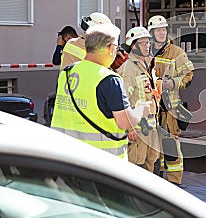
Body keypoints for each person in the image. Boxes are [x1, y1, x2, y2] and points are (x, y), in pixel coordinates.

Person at [51, 23, 151, 158]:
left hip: (66, 157)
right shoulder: (109, 80)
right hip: (101, 163)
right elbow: (124, 122)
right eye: (116, 47)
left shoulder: (67, 73)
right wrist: (141, 109)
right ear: (110, 48)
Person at [148, 15, 194, 185]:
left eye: (163, 29)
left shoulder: (177, 53)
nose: (162, 33)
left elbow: (189, 75)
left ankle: (175, 183)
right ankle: (156, 182)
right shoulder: (146, 51)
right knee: (153, 148)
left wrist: (173, 82)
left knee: (171, 149)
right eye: (158, 30)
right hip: (152, 109)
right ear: (152, 32)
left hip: (169, 111)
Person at [117, 27, 160, 172]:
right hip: (137, 130)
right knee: (136, 167)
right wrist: (130, 128)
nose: (147, 46)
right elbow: (123, 101)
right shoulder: (128, 69)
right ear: (132, 46)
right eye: (142, 43)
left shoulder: (146, 66)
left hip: (150, 127)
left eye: (148, 42)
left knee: (152, 164)